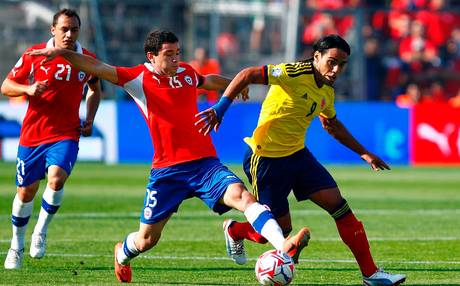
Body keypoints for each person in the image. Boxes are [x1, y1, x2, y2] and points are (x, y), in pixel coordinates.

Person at [28, 30, 310, 283]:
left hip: (205, 164)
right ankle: (121, 254)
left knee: (244, 197)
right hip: (168, 173)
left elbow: (205, 80)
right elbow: (97, 68)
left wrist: (229, 85)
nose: (176, 59)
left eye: (178, 53)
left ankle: (283, 246)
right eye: (169, 55)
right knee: (147, 240)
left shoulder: (186, 72)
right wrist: (61, 53)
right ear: (152, 56)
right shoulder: (137, 78)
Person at [195, 35, 407, 286]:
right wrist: (220, 108)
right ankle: (236, 231)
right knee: (277, 233)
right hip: (265, 159)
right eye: (332, 62)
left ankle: (371, 274)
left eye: (342, 64)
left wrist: (363, 152)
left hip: (298, 156)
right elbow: (248, 74)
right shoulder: (293, 72)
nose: (336, 69)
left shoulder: (326, 91)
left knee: (340, 207)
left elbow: (331, 124)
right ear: (316, 57)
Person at [1, 8, 101, 270]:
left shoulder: (86, 59)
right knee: (26, 191)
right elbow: (6, 85)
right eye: (64, 29)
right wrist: (28, 88)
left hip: (66, 133)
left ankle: (40, 232)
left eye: (74, 30)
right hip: (33, 135)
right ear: (53, 30)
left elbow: (94, 89)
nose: (69, 34)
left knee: (56, 179)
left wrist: (89, 116)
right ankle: (16, 246)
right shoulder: (34, 55)